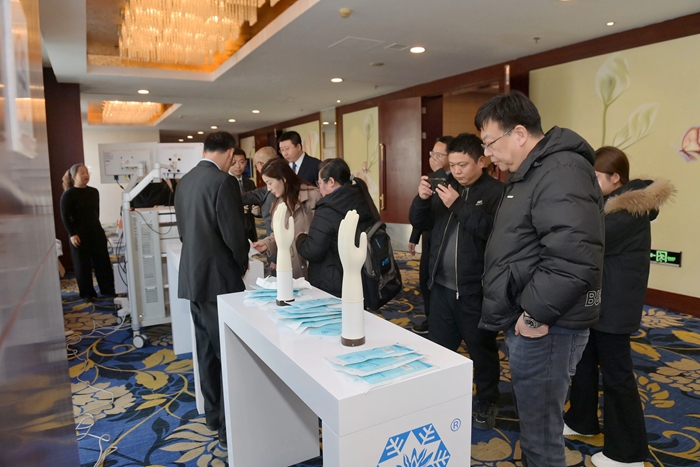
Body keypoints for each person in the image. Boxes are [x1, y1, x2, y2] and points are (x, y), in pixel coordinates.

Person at [476, 91, 604, 467]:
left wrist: (534, 315)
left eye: (490, 143)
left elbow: (574, 256)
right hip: (538, 320)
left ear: (519, 133)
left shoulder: (561, 170)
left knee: (541, 436)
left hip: (549, 326)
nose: (488, 154)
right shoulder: (532, 172)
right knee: (535, 427)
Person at [564, 147, 674, 467]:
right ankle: (581, 421)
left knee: (617, 377)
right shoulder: (607, 203)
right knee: (584, 363)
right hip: (598, 301)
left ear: (615, 178)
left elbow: (587, 242)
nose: (589, 182)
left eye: (595, 177)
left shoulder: (627, 210)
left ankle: (627, 454)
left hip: (615, 306)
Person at [409, 133, 504, 430]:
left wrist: (458, 205)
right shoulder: (445, 185)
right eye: (452, 165)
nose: (457, 171)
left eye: (463, 165)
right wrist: (422, 199)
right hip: (441, 286)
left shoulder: (496, 192)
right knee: (440, 349)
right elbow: (420, 222)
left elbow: (493, 233)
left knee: (481, 351)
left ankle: (487, 400)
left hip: (475, 290)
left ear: (481, 161)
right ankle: (441, 397)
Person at [174, 132, 248, 450]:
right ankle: (228, 428)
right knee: (227, 354)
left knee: (205, 350)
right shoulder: (224, 182)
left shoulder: (185, 181)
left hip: (193, 278)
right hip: (219, 281)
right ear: (230, 152)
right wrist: (241, 263)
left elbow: (183, 231)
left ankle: (214, 417)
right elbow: (234, 235)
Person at [296, 158, 380, 297]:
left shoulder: (328, 209)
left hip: (334, 281)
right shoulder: (361, 198)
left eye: (320, 183)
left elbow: (312, 251)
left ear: (331, 182)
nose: (319, 188)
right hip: (363, 275)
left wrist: (300, 238)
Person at [408, 135, 453, 335]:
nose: (433, 158)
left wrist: (438, 174)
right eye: (432, 153)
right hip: (429, 239)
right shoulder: (431, 177)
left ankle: (438, 321)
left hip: (444, 243)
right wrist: (414, 236)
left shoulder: (452, 180)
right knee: (425, 281)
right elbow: (423, 210)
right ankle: (430, 318)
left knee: (438, 285)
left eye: (438, 154)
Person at [252, 158, 321, 279]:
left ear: (283, 179)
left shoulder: (314, 196)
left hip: (313, 267)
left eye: (270, 183)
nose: (268, 189)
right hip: (290, 269)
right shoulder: (277, 203)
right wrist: (267, 244)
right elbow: (278, 234)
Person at [60, 164, 115, 301]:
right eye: (82, 173)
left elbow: (96, 212)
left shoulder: (94, 192)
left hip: (95, 231)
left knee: (102, 262)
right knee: (82, 265)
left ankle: (107, 289)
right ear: (74, 176)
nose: (86, 175)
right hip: (78, 234)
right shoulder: (68, 194)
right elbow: (65, 217)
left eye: (87, 173)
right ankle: (87, 293)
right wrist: (72, 234)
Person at [241, 146, 279, 238]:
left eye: (255, 166)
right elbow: (254, 194)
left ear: (260, 165)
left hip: (278, 237)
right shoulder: (273, 181)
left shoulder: (279, 182)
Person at [228, 147, 258, 242]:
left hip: (250, 230)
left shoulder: (250, 183)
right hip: (233, 231)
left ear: (246, 163)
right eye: (234, 162)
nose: (238, 166)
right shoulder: (224, 183)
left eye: (241, 162)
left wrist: (258, 210)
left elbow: (257, 202)